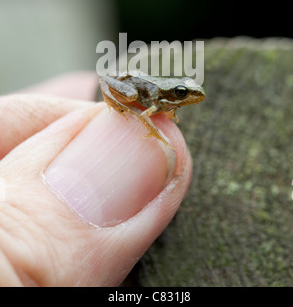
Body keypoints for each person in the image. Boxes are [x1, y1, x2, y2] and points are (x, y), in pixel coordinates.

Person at [0, 72, 192, 287]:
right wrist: (156, 135)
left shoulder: (164, 100)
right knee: (129, 96)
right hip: (130, 84)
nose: (189, 96)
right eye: (182, 93)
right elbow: (145, 115)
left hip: (137, 82)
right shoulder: (154, 101)